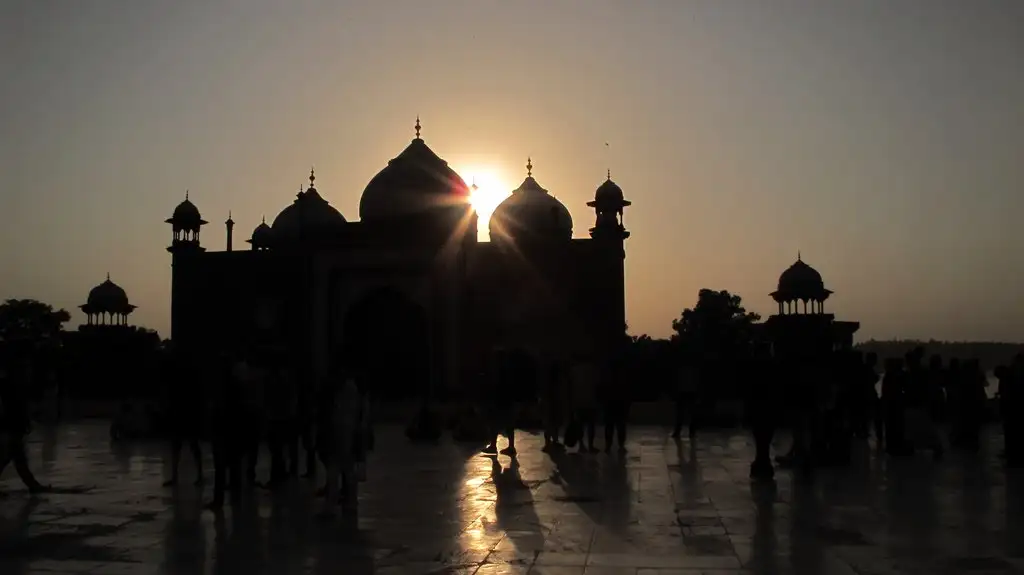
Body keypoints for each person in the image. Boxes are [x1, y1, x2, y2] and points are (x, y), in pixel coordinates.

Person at [0, 355, 50, 495]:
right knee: (13, 457)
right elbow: (12, 408)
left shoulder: (15, 385)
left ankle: (33, 485)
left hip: (14, 426)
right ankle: (33, 485)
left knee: (14, 457)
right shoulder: (10, 385)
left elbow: (21, 408)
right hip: (11, 426)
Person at [207, 350, 246, 511]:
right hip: (233, 430)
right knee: (234, 467)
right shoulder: (236, 385)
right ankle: (235, 499)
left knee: (221, 468)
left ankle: (219, 500)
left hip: (223, 430)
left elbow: (217, 409)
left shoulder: (220, 387)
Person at [161, 345, 205, 487]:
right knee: (189, 445)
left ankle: (177, 476)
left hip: (182, 411)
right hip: (186, 412)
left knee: (180, 446)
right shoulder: (191, 372)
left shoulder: (177, 373)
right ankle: (198, 475)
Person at [568, 352, 600, 453]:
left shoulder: (574, 371)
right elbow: (597, 386)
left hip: (578, 401)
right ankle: (590, 445)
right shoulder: (592, 370)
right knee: (591, 425)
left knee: (580, 425)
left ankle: (581, 445)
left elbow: (570, 387)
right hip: (590, 401)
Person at [671, 353, 701, 439]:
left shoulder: (682, 369)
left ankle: (680, 431)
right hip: (688, 391)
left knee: (682, 413)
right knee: (688, 413)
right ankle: (690, 431)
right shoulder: (693, 370)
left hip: (686, 391)